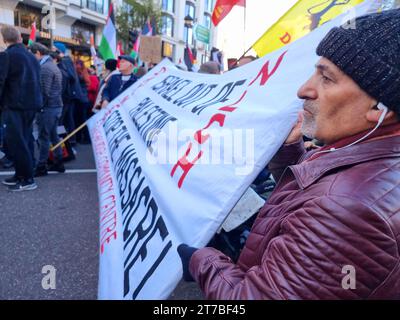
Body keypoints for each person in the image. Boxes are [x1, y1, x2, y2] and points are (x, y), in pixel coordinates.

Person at [178, 9, 400, 299]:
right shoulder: (374, 156)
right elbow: (325, 189)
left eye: (327, 78)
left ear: (378, 109)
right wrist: (288, 153)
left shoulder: (345, 212)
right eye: (315, 71)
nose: (304, 89)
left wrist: (202, 259)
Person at [0, 26, 42, 191]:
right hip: (30, 104)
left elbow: (1, 81)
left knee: (17, 142)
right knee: (25, 139)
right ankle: (21, 174)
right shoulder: (31, 56)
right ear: (19, 38)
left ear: (5, 40)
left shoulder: (7, 56)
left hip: (14, 105)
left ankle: (27, 179)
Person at [29, 42, 65, 176]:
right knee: (53, 135)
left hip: (48, 107)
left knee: (44, 137)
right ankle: (59, 162)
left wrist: (39, 107)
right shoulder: (51, 65)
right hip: (55, 106)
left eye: (32, 55)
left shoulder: (45, 68)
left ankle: (42, 166)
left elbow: (44, 92)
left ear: (38, 53)